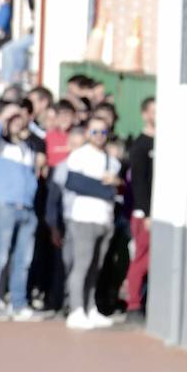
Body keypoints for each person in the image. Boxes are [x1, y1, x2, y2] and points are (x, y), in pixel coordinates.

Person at [0, 101, 41, 320]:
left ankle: (18, 303)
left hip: (27, 209)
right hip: (5, 207)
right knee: (0, 256)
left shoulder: (28, 148)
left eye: (20, 119)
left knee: (22, 260)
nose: (17, 123)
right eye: (12, 120)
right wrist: (3, 116)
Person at [62, 117, 121, 330]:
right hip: (84, 217)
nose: (99, 136)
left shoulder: (111, 160)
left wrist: (115, 183)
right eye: (95, 132)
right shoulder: (79, 155)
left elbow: (117, 186)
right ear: (88, 133)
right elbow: (74, 182)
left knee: (96, 267)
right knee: (82, 265)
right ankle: (76, 309)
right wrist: (105, 188)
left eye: (103, 132)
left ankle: (90, 307)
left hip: (105, 218)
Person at [125, 97, 155, 324]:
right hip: (144, 215)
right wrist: (145, 213)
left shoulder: (163, 143)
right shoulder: (140, 146)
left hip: (158, 214)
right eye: (153, 112)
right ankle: (133, 304)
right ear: (144, 114)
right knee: (142, 260)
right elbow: (139, 183)